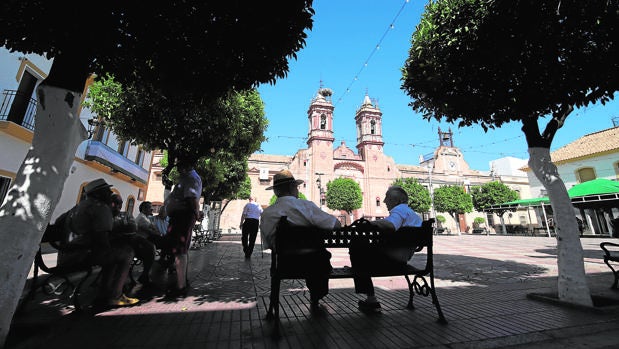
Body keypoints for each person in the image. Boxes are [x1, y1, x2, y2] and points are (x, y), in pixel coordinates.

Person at [260, 169, 341, 309]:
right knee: (318, 257)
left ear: (276, 191)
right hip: (316, 264)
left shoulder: (267, 214)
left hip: (285, 265)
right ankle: (317, 295)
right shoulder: (306, 206)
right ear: (292, 188)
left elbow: (268, 244)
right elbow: (335, 225)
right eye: (296, 187)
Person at [349, 185, 422, 313]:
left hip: (390, 261)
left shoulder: (400, 210)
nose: (384, 202)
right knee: (361, 252)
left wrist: (370, 223)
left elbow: (391, 225)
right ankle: (369, 297)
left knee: (357, 246)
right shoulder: (413, 215)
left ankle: (371, 298)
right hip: (402, 261)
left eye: (387, 198)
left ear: (397, 201)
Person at [67, 178, 139, 307]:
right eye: (107, 191)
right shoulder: (100, 208)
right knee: (127, 253)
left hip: (69, 253)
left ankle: (104, 291)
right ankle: (115, 295)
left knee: (113, 255)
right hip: (84, 255)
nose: (110, 194)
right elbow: (102, 239)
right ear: (98, 194)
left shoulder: (78, 206)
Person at [163, 157, 202, 298]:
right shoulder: (187, 177)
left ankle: (181, 286)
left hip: (182, 217)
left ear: (187, 164)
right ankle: (181, 281)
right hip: (180, 216)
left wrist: (196, 213)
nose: (178, 167)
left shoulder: (191, 178)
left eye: (180, 164)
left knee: (180, 250)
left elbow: (191, 199)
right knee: (180, 249)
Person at [110, 194, 157, 286]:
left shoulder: (120, 216)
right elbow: (152, 230)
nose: (119, 206)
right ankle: (116, 289)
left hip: (128, 242)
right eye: (117, 203)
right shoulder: (141, 218)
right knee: (130, 254)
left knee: (151, 247)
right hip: (117, 247)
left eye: (120, 204)